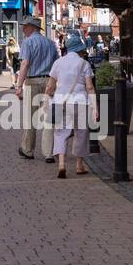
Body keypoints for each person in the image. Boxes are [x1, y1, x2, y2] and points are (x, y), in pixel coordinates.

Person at [46, 32, 98, 177]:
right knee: (81, 133)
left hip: (60, 101)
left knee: (60, 133)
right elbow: (89, 87)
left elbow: (50, 87)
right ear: (79, 50)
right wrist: (95, 107)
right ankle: (79, 165)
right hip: (80, 102)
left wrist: (48, 100)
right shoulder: (84, 64)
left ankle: (61, 164)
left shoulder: (58, 62)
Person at [14, 18, 58, 162]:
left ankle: (28, 150)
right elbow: (56, 65)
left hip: (32, 81)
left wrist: (19, 85)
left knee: (30, 118)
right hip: (49, 82)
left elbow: (25, 63)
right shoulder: (51, 43)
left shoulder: (27, 42)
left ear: (32, 27)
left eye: (25, 26)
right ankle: (48, 153)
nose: (23, 29)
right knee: (48, 119)